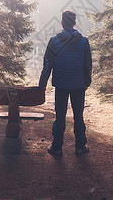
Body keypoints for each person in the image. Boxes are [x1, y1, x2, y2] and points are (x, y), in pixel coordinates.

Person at [39, 10, 92, 157]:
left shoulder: (54, 41)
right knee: (78, 116)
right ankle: (80, 146)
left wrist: (42, 85)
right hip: (78, 85)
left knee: (60, 117)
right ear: (74, 23)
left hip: (61, 85)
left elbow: (47, 65)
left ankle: (57, 148)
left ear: (62, 23)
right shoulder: (83, 41)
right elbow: (88, 65)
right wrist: (87, 82)